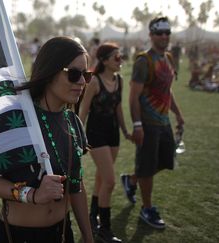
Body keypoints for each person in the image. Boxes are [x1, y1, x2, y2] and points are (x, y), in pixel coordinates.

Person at [0, 37, 94, 243]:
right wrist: (30, 195)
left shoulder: (73, 122)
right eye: (74, 74)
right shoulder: (13, 118)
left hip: (62, 233)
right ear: (50, 73)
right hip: (18, 235)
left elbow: (76, 185)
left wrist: (87, 235)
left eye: (86, 74)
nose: (82, 82)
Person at [120, 17, 184, 229]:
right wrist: (137, 125)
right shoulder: (143, 61)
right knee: (147, 166)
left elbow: (167, 90)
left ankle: (132, 180)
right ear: (151, 35)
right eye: (159, 33)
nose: (164, 36)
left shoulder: (167, 58)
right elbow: (133, 96)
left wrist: (178, 114)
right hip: (147, 124)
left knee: (167, 161)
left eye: (167, 32)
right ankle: (147, 209)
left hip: (163, 121)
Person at [78, 43, 130, 243]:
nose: (121, 60)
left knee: (101, 177)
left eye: (121, 56)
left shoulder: (120, 80)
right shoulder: (95, 81)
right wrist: (79, 135)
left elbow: (118, 108)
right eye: (117, 57)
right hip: (96, 134)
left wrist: (125, 131)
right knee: (110, 181)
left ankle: (93, 216)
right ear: (106, 60)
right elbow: (83, 110)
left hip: (113, 134)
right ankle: (104, 229)